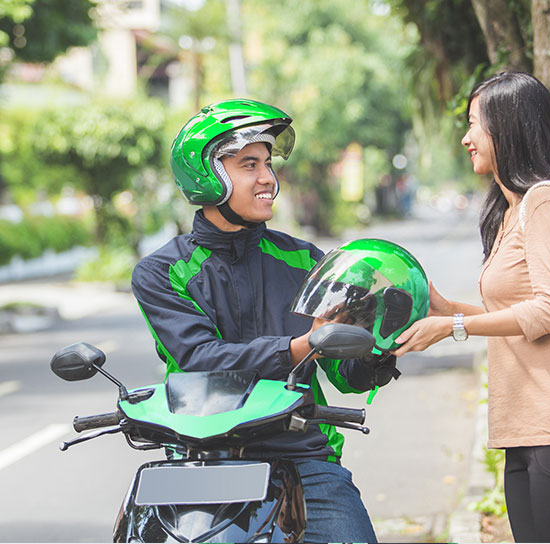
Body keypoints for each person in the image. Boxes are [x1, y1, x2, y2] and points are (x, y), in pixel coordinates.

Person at [131, 99, 408, 543]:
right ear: (207, 175)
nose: (267, 179)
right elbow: (202, 359)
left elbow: (347, 374)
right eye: (248, 165)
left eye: (268, 164)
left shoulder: (305, 260)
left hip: (301, 455)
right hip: (199, 459)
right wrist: (303, 346)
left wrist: (382, 342)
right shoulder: (161, 272)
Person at [391, 72, 550, 542]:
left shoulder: (544, 201)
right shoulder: (509, 211)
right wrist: (446, 309)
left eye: (474, 124)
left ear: (509, 127)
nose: (467, 138)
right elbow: (517, 311)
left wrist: (454, 329)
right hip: (520, 425)